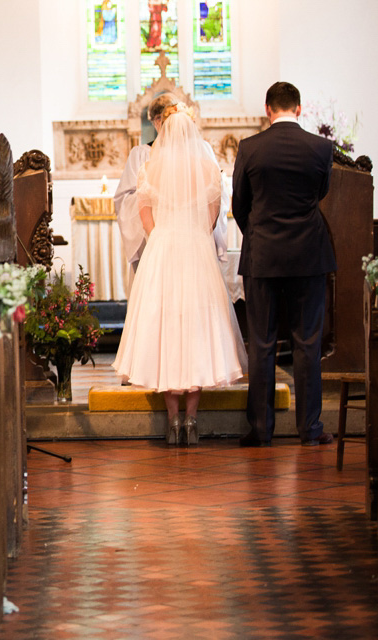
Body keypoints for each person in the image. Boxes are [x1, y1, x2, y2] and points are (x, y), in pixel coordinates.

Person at [113, 103, 247, 446]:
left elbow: (146, 222)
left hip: (163, 250)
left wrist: (165, 237)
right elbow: (212, 218)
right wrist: (191, 234)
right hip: (195, 249)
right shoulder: (207, 169)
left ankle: (172, 422)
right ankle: (192, 420)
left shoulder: (149, 170)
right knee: (198, 331)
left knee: (165, 331)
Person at [232, 81, 336, 447]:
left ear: (267, 109)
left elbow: (239, 204)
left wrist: (258, 234)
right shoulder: (321, 148)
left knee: (261, 343)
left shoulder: (250, 148)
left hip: (262, 257)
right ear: (300, 108)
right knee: (307, 343)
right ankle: (309, 429)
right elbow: (319, 194)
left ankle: (261, 430)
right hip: (308, 256)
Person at [115, 93, 228, 275]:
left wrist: (161, 238)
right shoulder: (142, 153)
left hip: (163, 242)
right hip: (190, 242)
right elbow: (215, 205)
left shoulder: (150, 165)